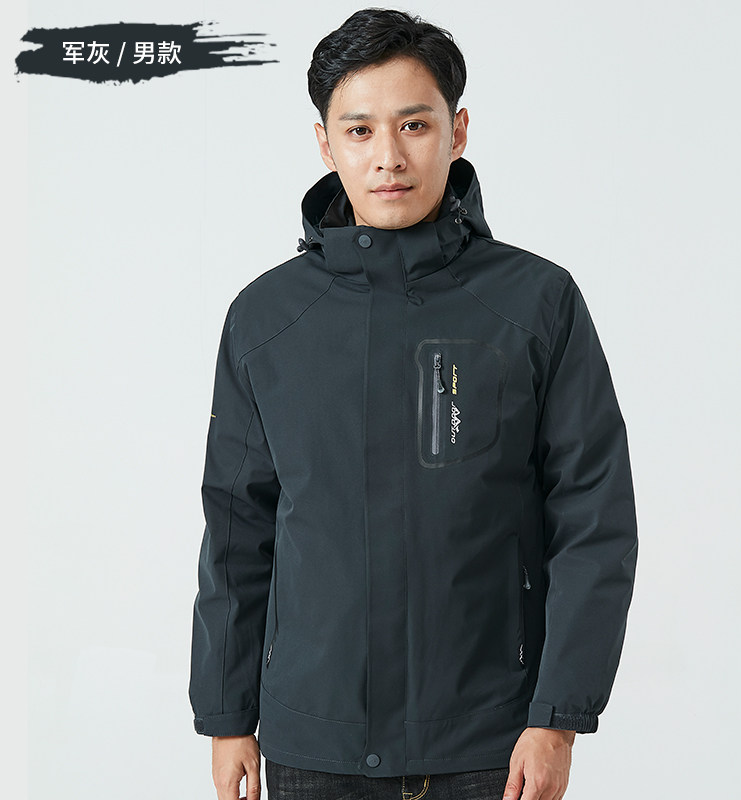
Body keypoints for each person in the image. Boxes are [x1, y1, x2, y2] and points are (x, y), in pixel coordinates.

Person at [189, 8, 638, 800]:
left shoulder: (535, 302)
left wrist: (559, 718)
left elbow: (593, 519)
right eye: (359, 131)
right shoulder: (265, 318)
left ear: (457, 131)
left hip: (490, 744)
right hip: (313, 744)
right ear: (325, 144)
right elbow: (236, 530)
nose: (388, 157)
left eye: (415, 125)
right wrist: (228, 717)